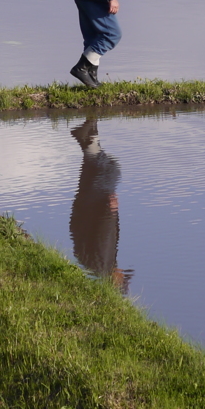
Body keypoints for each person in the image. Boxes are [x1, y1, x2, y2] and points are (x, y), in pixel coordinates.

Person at [69, 119, 132, 292]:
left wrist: (109, 209)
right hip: (84, 206)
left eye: (122, 278)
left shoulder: (102, 263)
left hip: (94, 204)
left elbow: (103, 235)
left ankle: (88, 136)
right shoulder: (97, 267)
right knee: (94, 165)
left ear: (115, 282)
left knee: (111, 171)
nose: (121, 273)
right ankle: (90, 132)